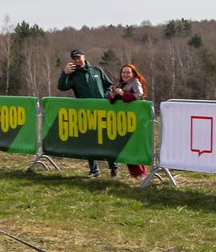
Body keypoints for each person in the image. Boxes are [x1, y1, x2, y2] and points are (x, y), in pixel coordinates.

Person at [57, 49, 117, 178]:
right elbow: (62, 87)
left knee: (107, 140)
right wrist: (64, 73)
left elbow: (109, 85)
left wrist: (106, 96)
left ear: (84, 57)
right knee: (89, 141)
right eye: (74, 58)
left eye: (79, 57)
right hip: (86, 112)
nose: (77, 60)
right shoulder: (73, 76)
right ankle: (94, 170)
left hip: (103, 111)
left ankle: (113, 167)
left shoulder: (97, 70)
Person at [108, 63, 148, 179]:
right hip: (122, 120)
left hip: (134, 119)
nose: (125, 74)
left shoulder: (135, 82)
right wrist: (113, 94)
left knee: (133, 146)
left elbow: (140, 96)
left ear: (133, 73)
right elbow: (110, 98)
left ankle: (140, 174)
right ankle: (136, 174)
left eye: (128, 72)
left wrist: (123, 94)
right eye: (123, 72)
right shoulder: (120, 83)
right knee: (125, 147)